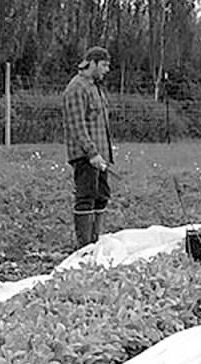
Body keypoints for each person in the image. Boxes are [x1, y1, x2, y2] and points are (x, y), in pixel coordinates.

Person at [62, 46, 113, 251]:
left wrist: (103, 155)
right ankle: (85, 247)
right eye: (104, 65)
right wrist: (92, 153)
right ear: (92, 63)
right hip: (86, 156)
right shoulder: (76, 88)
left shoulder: (94, 87)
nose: (107, 70)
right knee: (86, 197)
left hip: (100, 156)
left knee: (101, 196)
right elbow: (77, 126)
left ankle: (95, 241)